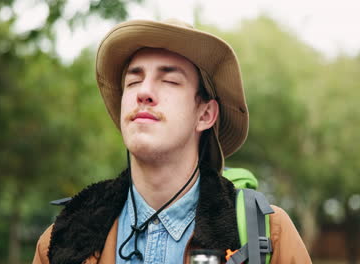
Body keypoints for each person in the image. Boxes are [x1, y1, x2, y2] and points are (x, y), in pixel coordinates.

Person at [32, 19, 311, 264]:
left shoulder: (269, 235)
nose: (144, 92)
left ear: (205, 114)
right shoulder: (63, 239)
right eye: (133, 81)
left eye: (169, 81)